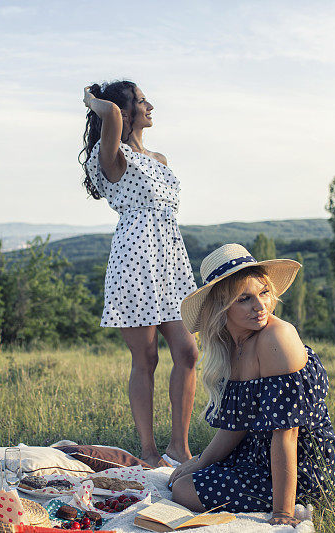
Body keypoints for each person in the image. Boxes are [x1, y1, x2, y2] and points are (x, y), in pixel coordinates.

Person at [169, 243, 335, 526]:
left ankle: (294, 503)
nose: (260, 306)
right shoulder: (234, 344)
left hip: (301, 463)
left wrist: (282, 514)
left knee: (184, 490)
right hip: (259, 451)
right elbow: (237, 426)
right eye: (244, 299)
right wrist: (200, 462)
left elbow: (287, 434)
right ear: (221, 308)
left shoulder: (277, 338)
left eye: (263, 293)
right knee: (182, 478)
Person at [80, 80, 198, 467]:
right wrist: (93, 100)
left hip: (170, 258)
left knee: (187, 351)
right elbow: (111, 114)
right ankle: (148, 453)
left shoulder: (159, 159)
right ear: (126, 111)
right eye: (143, 101)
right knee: (146, 358)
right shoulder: (110, 155)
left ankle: (178, 448)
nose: (152, 106)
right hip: (135, 260)